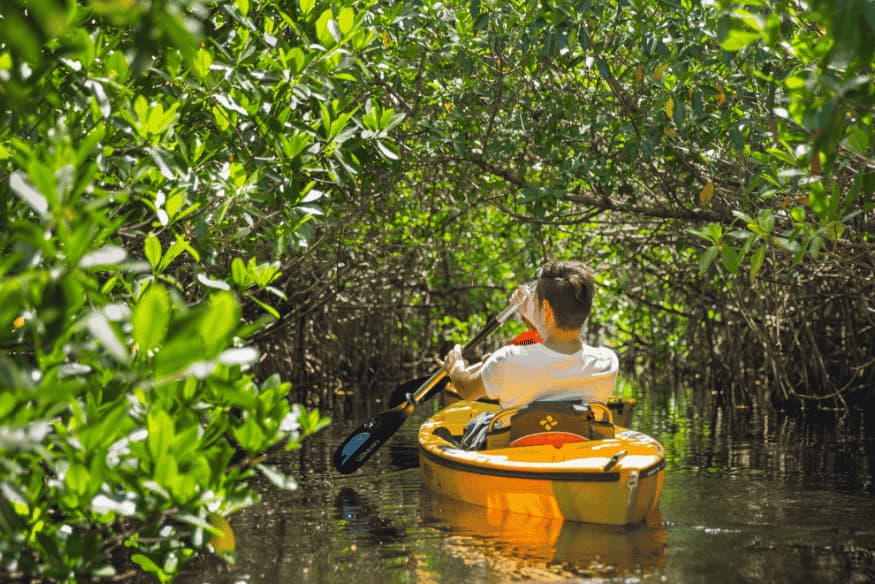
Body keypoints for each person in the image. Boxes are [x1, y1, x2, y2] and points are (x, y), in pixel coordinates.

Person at [440, 260, 619, 411]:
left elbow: (467, 390)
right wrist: (532, 312)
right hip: (578, 446)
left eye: (537, 303)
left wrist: (455, 367)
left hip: (517, 448)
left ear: (547, 309)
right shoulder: (607, 362)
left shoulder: (508, 359)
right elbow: (560, 341)